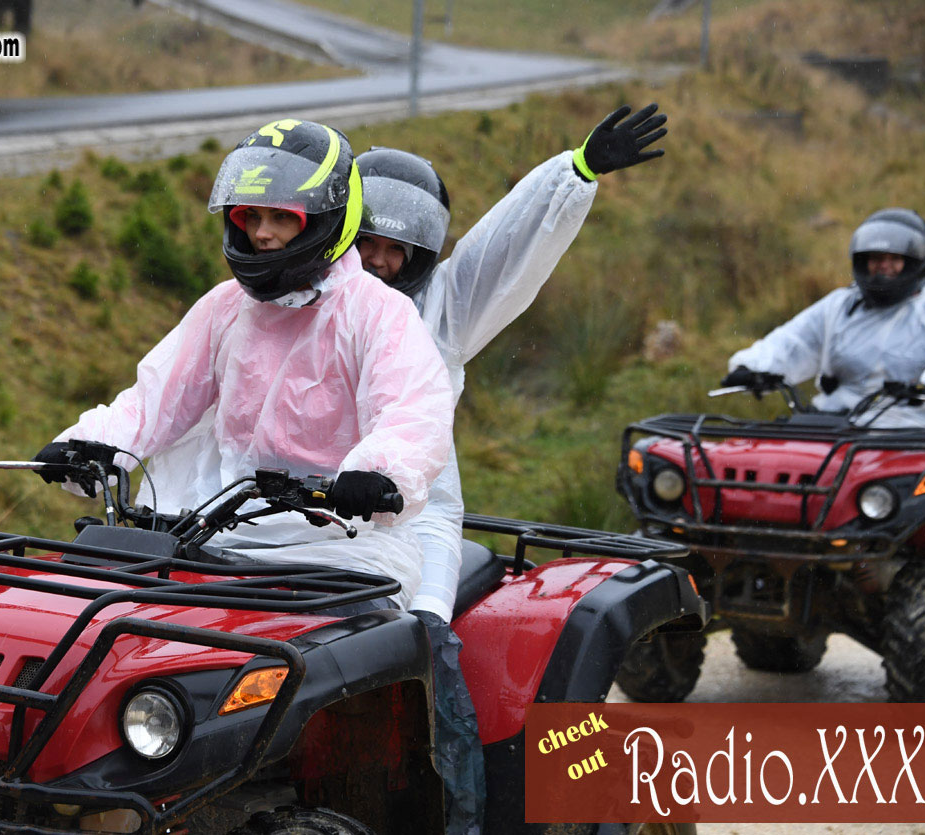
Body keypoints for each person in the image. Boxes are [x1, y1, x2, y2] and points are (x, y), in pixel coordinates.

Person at [134, 104, 669, 835]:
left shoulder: (441, 308)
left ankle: (460, 814)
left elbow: (507, 245)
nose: (381, 260)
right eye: (370, 242)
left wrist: (572, 172)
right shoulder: (278, 305)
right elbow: (197, 403)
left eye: (400, 248)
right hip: (279, 514)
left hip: (412, 520)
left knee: (425, 649)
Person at [37, 117, 454, 611]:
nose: (262, 234)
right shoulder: (226, 306)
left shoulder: (379, 312)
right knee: (94, 615)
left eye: (281, 218)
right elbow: (155, 401)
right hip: (214, 530)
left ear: (325, 218)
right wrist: (94, 446)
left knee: (326, 662)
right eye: (251, 217)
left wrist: (379, 474)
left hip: (341, 549)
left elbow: (412, 412)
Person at [723, 208, 925, 429]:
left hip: (910, 432)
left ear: (914, 262)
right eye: (876, 258)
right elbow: (794, 341)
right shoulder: (841, 305)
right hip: (834, 424)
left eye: (894, 259)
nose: (883, 265)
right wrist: (751, 366)